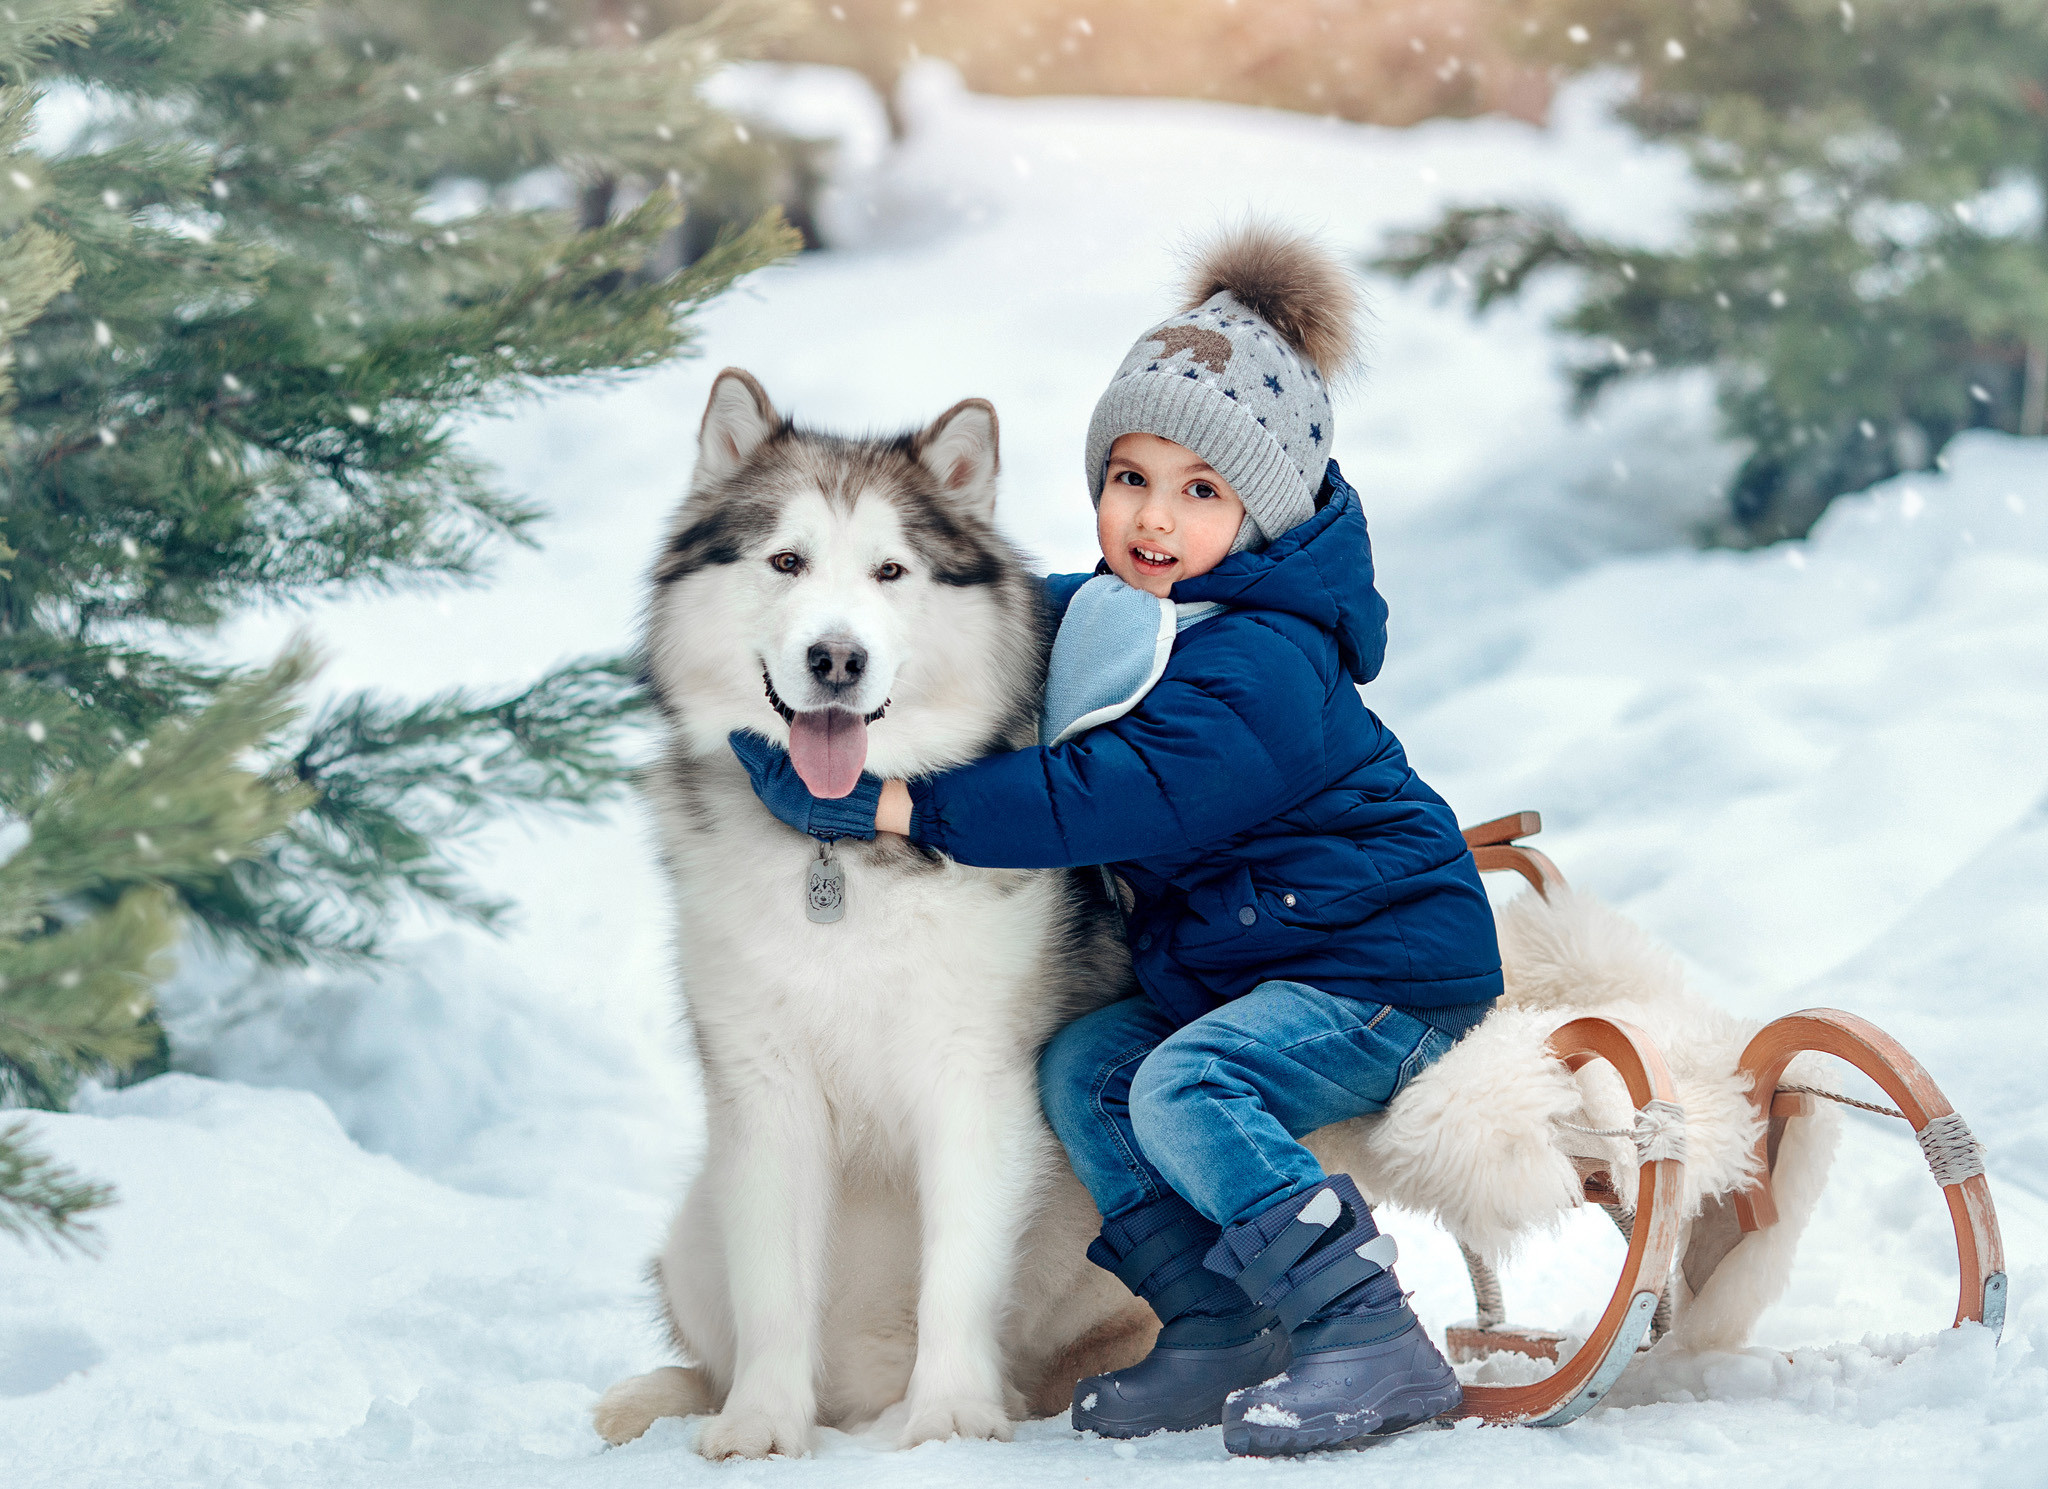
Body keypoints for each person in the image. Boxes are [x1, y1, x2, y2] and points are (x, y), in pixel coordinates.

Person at [729, 224, 1501, 1457]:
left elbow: (1107, 793)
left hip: (1376, 971)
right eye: (1129, 476)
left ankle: (1364, 1329)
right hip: (1248, 965)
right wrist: (837, 648)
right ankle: (1213, 1313)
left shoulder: (1261, 656)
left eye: (1201, 491)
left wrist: (892, 807)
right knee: (1085, 1064)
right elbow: (972, 608)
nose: (1152, 515)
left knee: (1182, 1084)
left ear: (1261, 514)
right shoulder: (1125, 610)